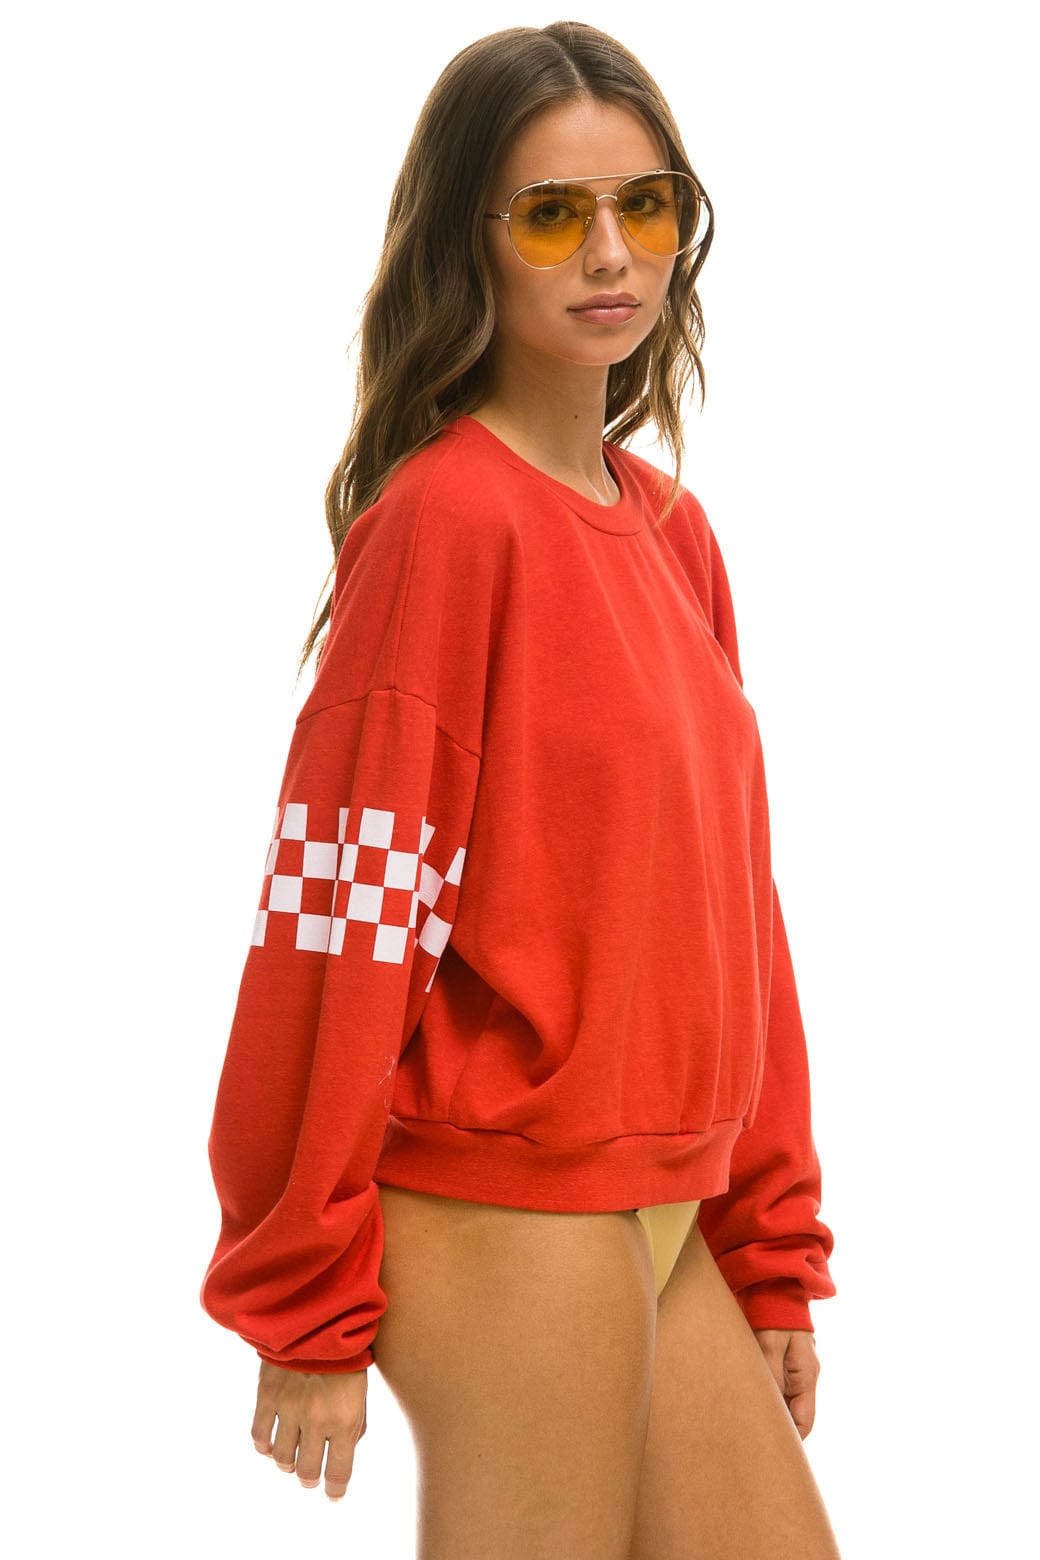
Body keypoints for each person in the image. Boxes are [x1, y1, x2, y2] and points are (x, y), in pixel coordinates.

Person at [200, 20, 841, 1559]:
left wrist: (770, 1240)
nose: (611, 253)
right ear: (467, 240)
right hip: (504, 1202)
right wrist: (301, 1294)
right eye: (553, 214)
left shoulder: (675, 534)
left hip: (668, 1199)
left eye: (648, 205)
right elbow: (344, 911)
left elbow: (733, 909)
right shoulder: (446, 524)